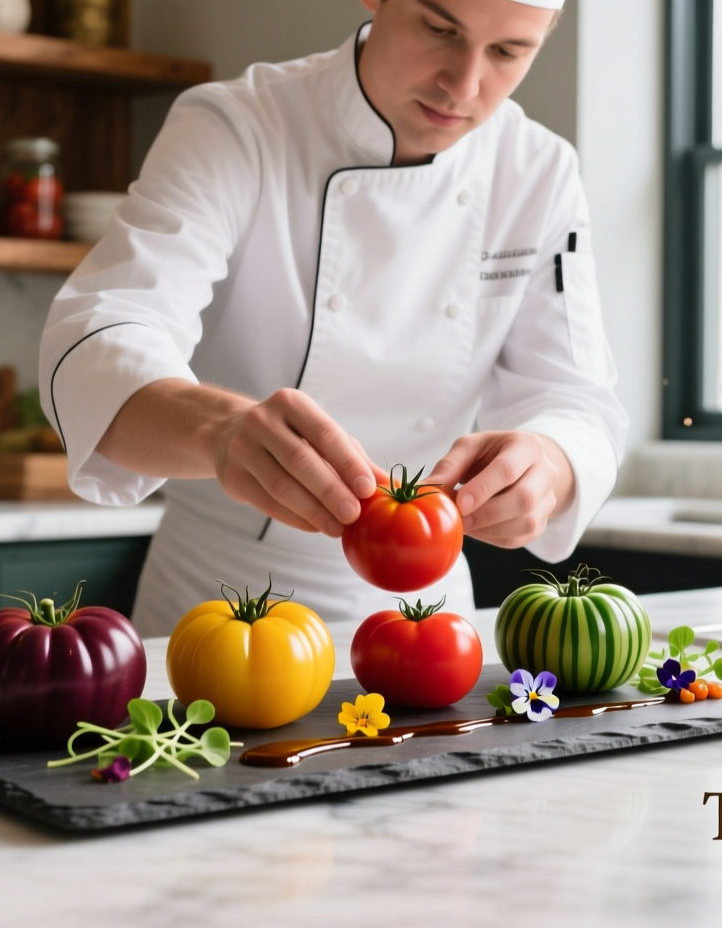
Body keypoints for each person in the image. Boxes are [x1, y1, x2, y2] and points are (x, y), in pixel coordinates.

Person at [38, 0, 627, 635]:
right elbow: (99, 340)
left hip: (425, 620)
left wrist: (549, 463)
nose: (463, 85)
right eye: (439, 29)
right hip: (221, 609)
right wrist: (221, 431)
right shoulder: (239, 125)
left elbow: (579, 400)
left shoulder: (539, 172)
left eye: (508, 52)